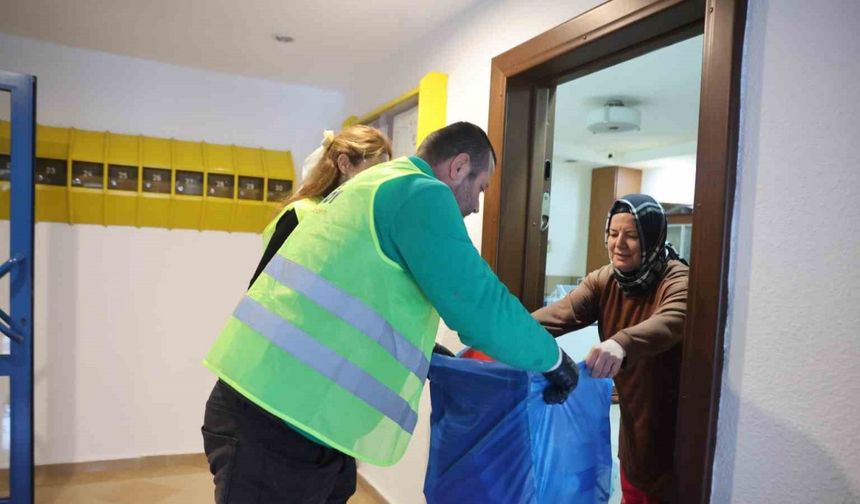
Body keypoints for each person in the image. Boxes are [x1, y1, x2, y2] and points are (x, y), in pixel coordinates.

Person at [201, 122, 580, 504]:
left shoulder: (377, 184)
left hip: (289, 410)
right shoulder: (419, 193)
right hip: (276, 421)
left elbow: (356, 293)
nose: (475, 205)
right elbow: (480, 306)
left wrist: (424, 351)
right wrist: (552, 359)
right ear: (459, 166)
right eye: (481, 188)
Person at [532, 194, 689, 504]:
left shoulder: (678, 279)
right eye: (613, 234)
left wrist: (620, 343)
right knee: (632, 487)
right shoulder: (605, 280)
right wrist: (494, 338)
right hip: (633, 422)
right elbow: (556, 316)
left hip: (675, 426)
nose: (620, 243)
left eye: (631, 236)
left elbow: (674, 318)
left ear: (653, 238)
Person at [252, 124, 393, 286]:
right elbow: (260, 286)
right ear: (344, 164)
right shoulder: (301, 214)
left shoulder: (357, 222)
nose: (377, 183)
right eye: (372, 174)